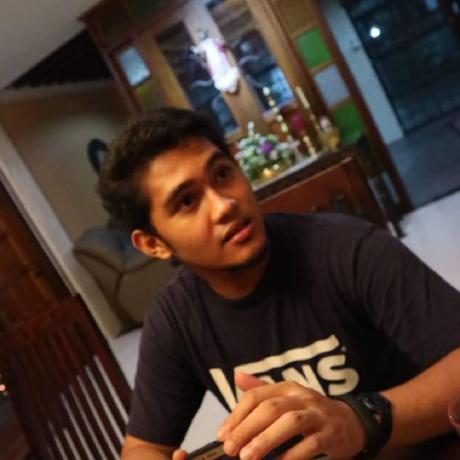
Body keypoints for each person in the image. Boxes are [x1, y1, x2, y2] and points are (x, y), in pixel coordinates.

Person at [97, 108, 460, 460]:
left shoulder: (348, 249)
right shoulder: (176, 318)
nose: (224, 205)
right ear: (153, 244)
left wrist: (361, 421)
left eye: (222, 174)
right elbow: (141, 447)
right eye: (188, 201)